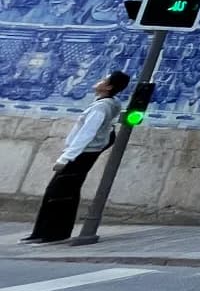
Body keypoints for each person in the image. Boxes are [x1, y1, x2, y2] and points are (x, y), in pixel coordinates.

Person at [23, 71, 131, 244]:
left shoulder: (100, 107)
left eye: (104, 80)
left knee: (58, 192)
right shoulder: (111, 103)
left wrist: (66, 157)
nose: (99, 81)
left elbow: (86, 134)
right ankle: (46, 232)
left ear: (108, 86)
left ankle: (51, 233)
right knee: (66, 192)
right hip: (86, 152)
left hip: (82, 153)